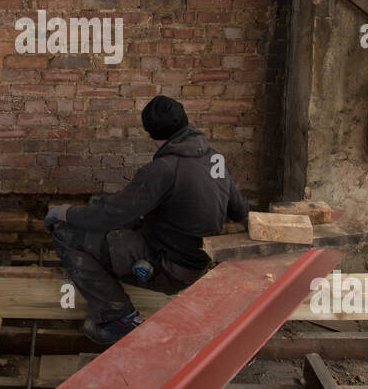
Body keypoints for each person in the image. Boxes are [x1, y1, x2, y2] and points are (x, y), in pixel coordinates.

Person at [44, 94, 249, 346]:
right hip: (197, 259)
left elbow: (108, 218)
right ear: (186, 123)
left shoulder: (163, 170)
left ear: (150, 132)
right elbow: (239, 211)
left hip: (169, 270)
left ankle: (119, 319)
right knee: (102, 203)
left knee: (66, 234)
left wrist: (62, 212)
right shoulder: (214, 158)